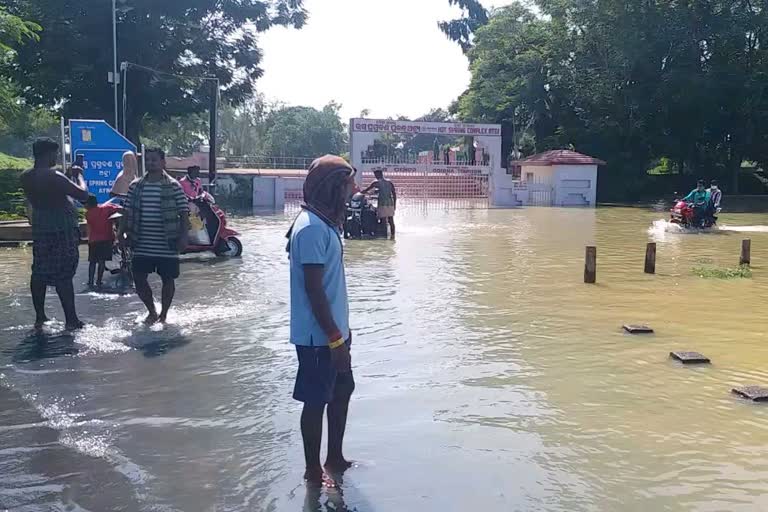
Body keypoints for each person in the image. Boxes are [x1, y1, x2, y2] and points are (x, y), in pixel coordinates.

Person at [286, 155, 355, 488]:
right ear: (333, 187)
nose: (353, 190)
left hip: (334, 333)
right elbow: (314, 290)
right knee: (316, 401)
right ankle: (313, 470)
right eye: (347, 183)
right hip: (320, 338)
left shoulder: (322, 222)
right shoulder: (312, 229)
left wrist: (343, 332)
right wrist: (335, 338)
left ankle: (335, 458)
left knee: (343, 388)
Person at [20, 138, 89, 330]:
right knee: (64, 274)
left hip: (41, 228)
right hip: (61, 229)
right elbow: (83, 194)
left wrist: (66, 177)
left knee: (39, 271)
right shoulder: (54, 177)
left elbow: (53, 190)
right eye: (55, 154)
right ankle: (72, 319)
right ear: (48, 153)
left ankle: (40, 316)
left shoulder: (26, 176)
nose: (56, 158)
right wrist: (79, 176)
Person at [119, 148, 190, 324]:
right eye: (148, 160)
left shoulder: (174, 186)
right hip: (141, 241)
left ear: (163, 162)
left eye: (154, 160)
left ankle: (164, 314)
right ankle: (151, 311)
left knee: (168, 279)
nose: (151, 163)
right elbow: (126, 212)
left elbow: (184, 213)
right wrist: (120, 233)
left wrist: (184, 237)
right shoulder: (136, 186)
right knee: (139, 278)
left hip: (167, 242)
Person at [84, 194, 119, 288]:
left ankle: (90, 281)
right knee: (101, 261)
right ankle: (99, 280)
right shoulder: (107, 208)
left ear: (88, 204)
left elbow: (89, 227)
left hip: (93, 240)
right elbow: (119, 209)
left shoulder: (88, 214)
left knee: (92, 262)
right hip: (106, 239)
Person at [363, 169, 397, 239]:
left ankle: (384, 236)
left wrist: (361, 193)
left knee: (383, 220)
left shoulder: (376, 182)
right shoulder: (389, 182)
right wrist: (394, 204)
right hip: (390, 203)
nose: (375, 176)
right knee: (391, 220)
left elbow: (366, 190)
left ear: (377, 175)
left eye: (375, 175)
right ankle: (393, 236)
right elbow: (394, 194)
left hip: (382, 203)